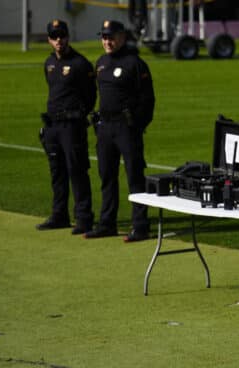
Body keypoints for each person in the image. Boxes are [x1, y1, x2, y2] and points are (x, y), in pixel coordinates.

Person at [85, 20, 155, 242]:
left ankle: (141, 226)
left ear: (123, 37)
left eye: (111, 36)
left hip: (126, 128)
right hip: (105, 128)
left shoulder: (135, 63)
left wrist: (136, 125)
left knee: (135, 177)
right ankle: (107, 224)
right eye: (104, 37)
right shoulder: (101, 63)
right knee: (106, 176)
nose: (107, 41)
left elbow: (148, 100)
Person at [38, 19, 96, 235]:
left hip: (71, 125)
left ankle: (83, 217)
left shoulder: (80, 64)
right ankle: (59, 214)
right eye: (54, 36)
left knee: (77, 170)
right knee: (57, 171)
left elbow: (90, 96)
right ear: (49, 40)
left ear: (68, 37)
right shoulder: (49, 63)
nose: (59, 40)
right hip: (52, 124)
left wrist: (78, 114)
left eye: (62, 35)